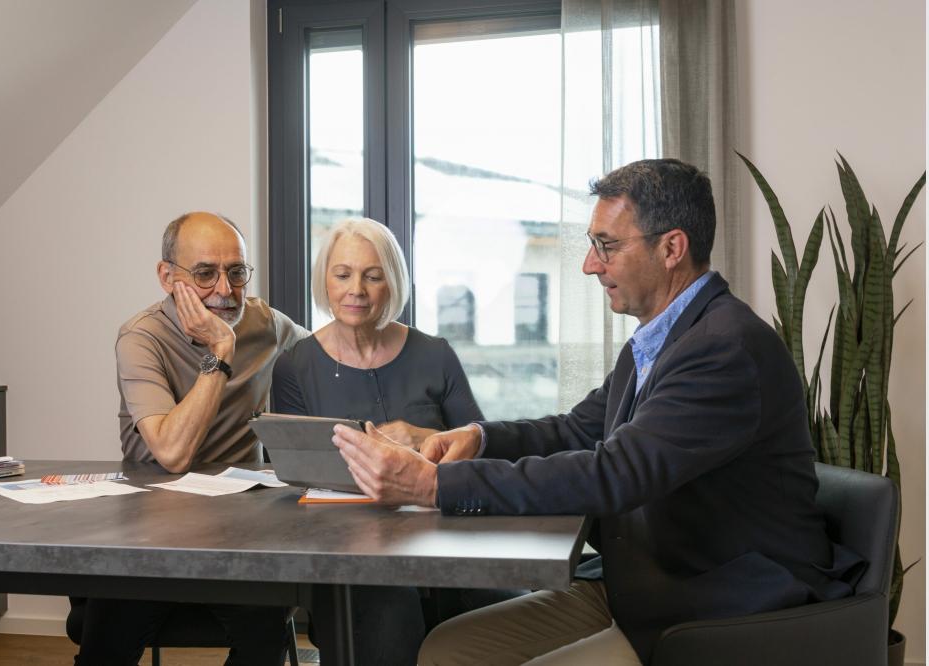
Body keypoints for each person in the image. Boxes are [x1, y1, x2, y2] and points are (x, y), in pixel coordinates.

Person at [329, 159, 863, 665]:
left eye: (606, 246)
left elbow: (615, 472)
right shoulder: (657, 341)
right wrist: (477, 437)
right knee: (449, 650)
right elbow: (578, 430)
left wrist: (433, 487)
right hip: (640, 589)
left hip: (716, 606)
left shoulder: (724, 349)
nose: (591, 265)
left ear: (672, 247)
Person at [272, 217, 511, 665]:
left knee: (511, 605)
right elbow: (294, 479)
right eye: (342, 274)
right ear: (324, 280)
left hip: (449, 540)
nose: (356, 289)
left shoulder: (435, 354)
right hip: (352, 554)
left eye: (373, 275)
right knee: (390, 617)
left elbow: (482, 452)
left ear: (392, 282)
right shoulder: (294, 367)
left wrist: (426, 438)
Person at [74, 211, 309, 666]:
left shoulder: (268, 325)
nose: (224, 290)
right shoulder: (141, 337)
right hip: (149, 530)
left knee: (267, 639)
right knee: (104, 648)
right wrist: (220, 352)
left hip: (241, 529)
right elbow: (172, 452)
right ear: (167, 276)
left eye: (236, 272)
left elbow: (330, 360)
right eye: (205, 273)